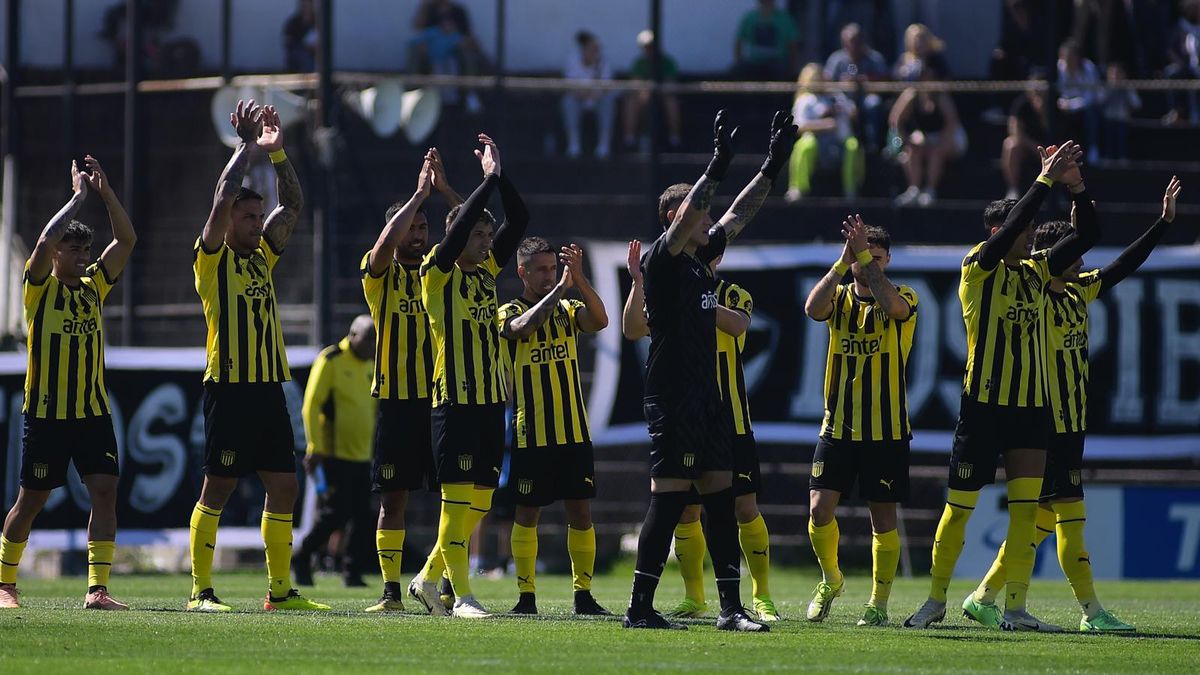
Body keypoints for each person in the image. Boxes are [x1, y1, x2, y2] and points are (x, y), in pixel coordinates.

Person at [972, 176, 1182, 634]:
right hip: (1045, 422)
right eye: (1075, 254)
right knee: (1070, 518)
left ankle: (983, 596)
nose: (1084, 262)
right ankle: (1091, 612)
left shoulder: (1078, 292)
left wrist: (1162, 224)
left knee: (1043, 521)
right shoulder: (1035, 298)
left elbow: (1125, 264)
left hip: (1072, 422)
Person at [904, 140, 1099, 632]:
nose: (1032, 234)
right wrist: (1043, 181)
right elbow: (1013, 226)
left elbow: (1090, 233)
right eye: (1025, 228)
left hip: (1031, 409)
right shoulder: (977, 267)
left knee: (1023, 512)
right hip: (983, 406)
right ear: (998, 230)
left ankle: (1014, 607)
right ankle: (934, 600)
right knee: (959, 511)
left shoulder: (1038, 271)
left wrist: (1074, 186)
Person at [622, 109, 795, 632]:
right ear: (675, 221)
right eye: (694, 212)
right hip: (672, 396)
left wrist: (771, 166)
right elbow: (693, 216)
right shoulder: (665, 260)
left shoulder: (700, 260)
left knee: (721, 498)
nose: (705, 216)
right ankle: (639, 608)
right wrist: (717, 164)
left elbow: (738, 215)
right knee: (670, 500)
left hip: (707, 396)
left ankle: (730, 609)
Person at [187, 100, 327, 612]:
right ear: (227, 222)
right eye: (246, 217)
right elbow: (223, 194)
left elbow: (291, 206)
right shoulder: (211, 261)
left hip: (269, 389)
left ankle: (280, 592)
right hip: (229, 388)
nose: (254, 223)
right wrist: (245, 147)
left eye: (254, 216)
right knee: (218, 486)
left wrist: (279, 154)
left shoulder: (263, 255)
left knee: (285, 486)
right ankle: (201, 591)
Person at [0, 156, 136, 611]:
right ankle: (5, 583)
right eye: (73, 251)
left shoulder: (96, 285)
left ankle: (97, 590)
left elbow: (126, 239)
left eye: (85, 251)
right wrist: (77, 199)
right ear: (57, 254)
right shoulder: (39, 289)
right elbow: (41, 241)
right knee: (31, 501)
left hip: (92, 412)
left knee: (105, 491)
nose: (82, 258)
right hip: (46, 413)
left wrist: (105, 192)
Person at [622, 245, 781, 623]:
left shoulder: (730, 293)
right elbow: (631, 329)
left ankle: (760, 597)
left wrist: (699, 298)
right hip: (682, 410)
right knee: (682, 509)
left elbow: (739, 324)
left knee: (740, 506)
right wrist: (641, 283)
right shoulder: (663, 285)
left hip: (729, 417)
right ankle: (693, 598)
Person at [407, 133, 529, 619]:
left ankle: (426, 579)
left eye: (485, 236)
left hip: (489, 403)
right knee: (456, 505)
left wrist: (500, 177)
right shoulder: (437, 273)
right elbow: (454, 234)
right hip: (452, 401)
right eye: (478, 236)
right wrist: (484, 183)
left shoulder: (483, 274)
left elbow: (519, 220)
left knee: (477, 506)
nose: (485, 243)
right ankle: (463, 597)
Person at [802, 216, 917, 627]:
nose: (871, 264)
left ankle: (878, 604)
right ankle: (831, 579)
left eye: (879, 258)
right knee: (818, 509)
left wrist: (864, 254)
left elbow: (896, 310)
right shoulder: (840, 299)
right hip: (838, 426)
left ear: (887, 260)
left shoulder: (903, 295)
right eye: (865, 257)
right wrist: (842, 261)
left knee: (882, 519)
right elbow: (812, 308)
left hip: (886, 430)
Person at [360, 149, 461, 613]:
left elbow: (474, 229)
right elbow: (382, 251)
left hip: (441, 399)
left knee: (453, 494)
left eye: (423, 227)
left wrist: (443, 192)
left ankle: (445, 583)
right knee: (393, 499)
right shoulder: (379, 275)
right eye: (411, 227)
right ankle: (391, 593)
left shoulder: (439, 272)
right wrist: (419, 194)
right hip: (397, 401)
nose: (418, 234)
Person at [499, 238, 610, 616]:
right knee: (527, 514)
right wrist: (560, 290)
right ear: (522, 272)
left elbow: (600, 320)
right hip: (532, 432)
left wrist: (579, 279)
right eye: (541, 269)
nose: (549, 275)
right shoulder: (508, 310)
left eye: (552, 268)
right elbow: (522, 329)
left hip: (574, 431)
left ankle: (583, 595)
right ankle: (526, 596)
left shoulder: (568, 306)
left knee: (580, 514)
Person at [293, 315, 377, 589]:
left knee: (363, 516)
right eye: (367, 339)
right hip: (333, 453)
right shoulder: (330, 359)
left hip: (363, 454)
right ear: (352, 334)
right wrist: (315, 447)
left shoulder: (371, 365)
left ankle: (351, 571)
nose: (371, 346)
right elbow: (311, 405)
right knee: (335, 513)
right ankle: (303, 556)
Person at [786, 63, 864, 202]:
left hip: (839, 140)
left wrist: (840, 108)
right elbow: (798, 126)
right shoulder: (805, 100)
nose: (819, 81)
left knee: (853, 145)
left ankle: (851, 189)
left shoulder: (836, 95)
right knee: (805, 145)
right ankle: (798, 188)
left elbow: (853, 113)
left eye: (820, 77)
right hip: (816, 141)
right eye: (814, 79)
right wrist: (824, 124)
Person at [889, 65, 966, 207]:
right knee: (912, 150)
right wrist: (905, 139)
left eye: (928, 77)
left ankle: (930, 190)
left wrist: (938, 142)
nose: (926, 81)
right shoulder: (911, 96)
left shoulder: (941, 96)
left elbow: (952, 123)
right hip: (926, 137)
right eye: (922, 78)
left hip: (951, 136)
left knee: (936, 152)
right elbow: (896, 120)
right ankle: (914, 190)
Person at [410, 0, 486, 113]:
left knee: (467, 54)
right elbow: (417, 29)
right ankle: (412, 93)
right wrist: (424, 6)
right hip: (432, 51)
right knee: (415, 51)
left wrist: (453, 34)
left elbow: (467, 36)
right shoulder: (429, 10)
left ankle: (470, 93)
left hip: (454, 51)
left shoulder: (459, 11)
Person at [825, 23, 890, 150]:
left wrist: (866, 80)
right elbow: (827, 84)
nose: (853, 46)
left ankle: (873, 145)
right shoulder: (837, 59)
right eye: (850, 42)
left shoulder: (874, 58)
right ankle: (842, 146)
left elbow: (886, 80)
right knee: (839, 106)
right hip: (843, 99)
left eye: (857, 41)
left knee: (873, 103)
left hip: (867, 97)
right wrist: (843, 84)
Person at [622, 29, 683, 151]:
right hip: (643, 96)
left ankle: (674, 137)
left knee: (672, 103)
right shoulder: (639, 63)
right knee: (631, 102)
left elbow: (670, 84)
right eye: (647, 47)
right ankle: (630, 139)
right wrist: (645, 92)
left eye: (652, 46)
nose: (650, 49)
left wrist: (656, 90)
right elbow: (636, 83)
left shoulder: (668, 62)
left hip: (663, 95)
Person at [563, 31, 617, 159]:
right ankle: (573, 145)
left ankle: (604, 146)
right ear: (584, 49)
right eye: (591, 49)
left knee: (608, 102)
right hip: (579, 99)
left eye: (597, 49)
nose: (594, 52)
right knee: (568, 102)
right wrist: (584, 93)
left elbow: (606, 88)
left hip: (598, 99)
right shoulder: (573, 60)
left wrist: (593, 94)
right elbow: (570, 87)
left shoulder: (604, 62)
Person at [1003, 73, 1051, 200]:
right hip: (1027, 147)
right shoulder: (1021, 104)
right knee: (1010, 145)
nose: (1038, 92)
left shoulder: (1053, 104)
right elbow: (1014, 131)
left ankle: (1058, 192)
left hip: (1048, 147)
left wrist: (1042, 112)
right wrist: (1032, 145)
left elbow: (1051, 131)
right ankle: (1013, 189)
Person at [1057, 40, 1102, 164]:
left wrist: (1071, 105)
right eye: (1066, 58)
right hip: (1064, 107)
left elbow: (1091, 97)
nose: (1069, 61)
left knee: (1092, 112)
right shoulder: (1058, 68)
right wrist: (1063, 103)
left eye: (1072, 57)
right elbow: (1058, 93)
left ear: (1078, 57)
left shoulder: (1088, 68)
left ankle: (1093, 149)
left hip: (1085, 107)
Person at [734, 0, 799, 80]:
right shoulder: (750, 18)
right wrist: (739, 61)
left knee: (781, 71)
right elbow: (738, 42)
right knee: (738, 71)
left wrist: (792, 66)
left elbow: (793, 44)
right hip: (755, 62)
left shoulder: (785, 19)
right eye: (764, 1)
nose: (766, 3)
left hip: (777, 63)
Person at [1101, 62, 1141, 161]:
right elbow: (1099, 101)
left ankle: (1123, 157)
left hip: (1122, 119)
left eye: (1118, 74)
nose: (1115, 77)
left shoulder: (1128, 87)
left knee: (1121, 132)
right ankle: (1108, 156)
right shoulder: (1105, 87)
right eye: (1112, 74)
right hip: (1108, 119)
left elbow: (1137, 104)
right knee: (1108, 131)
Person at [283, 0, 317, 72]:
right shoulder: (294, 21)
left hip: (314, 53)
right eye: (304, 5)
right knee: (303, 57)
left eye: (308, 5)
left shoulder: (317, 21)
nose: (306, 8)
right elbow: (287, 40)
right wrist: (302, 45)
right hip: (298, 52)